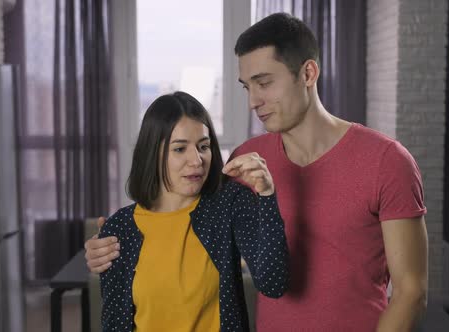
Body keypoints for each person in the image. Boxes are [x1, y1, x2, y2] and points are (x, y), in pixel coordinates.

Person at [86, 13, 428, 332]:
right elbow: (179, 216)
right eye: (247, 86)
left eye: (264, 83)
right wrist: (106, 245)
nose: (253, 101)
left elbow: (411, 292)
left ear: (308, 74)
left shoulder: (387, 160)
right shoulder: (247, 159)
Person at [97, 91, 289, 332]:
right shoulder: (119, 228)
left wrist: (267, 195)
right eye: (179, 149)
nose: (197, 160)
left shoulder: (229, 203)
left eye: (203, 146)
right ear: (152, 153)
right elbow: (114, 323)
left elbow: (274, 283)